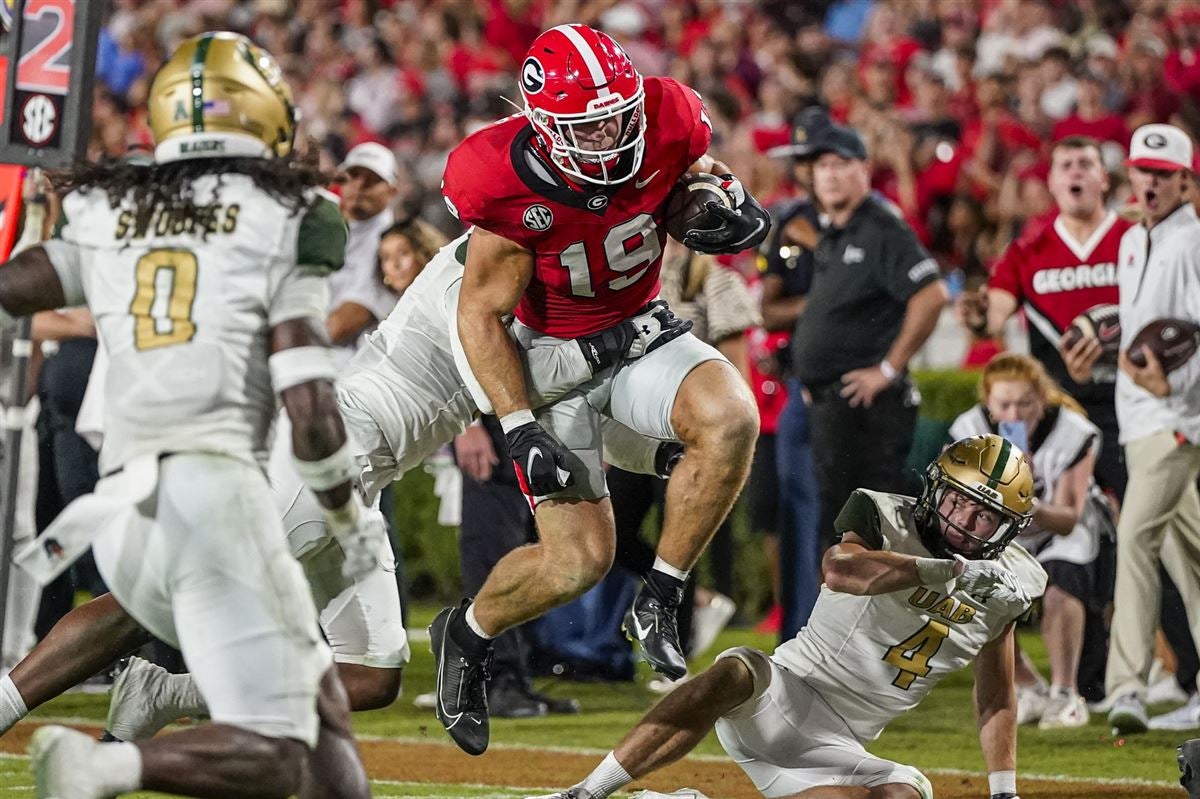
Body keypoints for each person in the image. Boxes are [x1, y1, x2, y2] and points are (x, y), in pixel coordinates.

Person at [0, 230, 689, 741]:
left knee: (371, 675)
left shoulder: (521, 280)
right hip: (325, 450)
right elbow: (497, 377)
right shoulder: (472, 277)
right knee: (149, 598)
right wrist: (610, 345)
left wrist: (653, 443)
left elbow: (544, 398)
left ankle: (167, 690)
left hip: (360, 480)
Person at [0, 32, 374, 799]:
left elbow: (18, 284)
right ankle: (103, 764)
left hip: (118, 511)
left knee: (326, 719)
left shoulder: (114, 201)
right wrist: (347, 514)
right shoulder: (292, 211)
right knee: (280, 751)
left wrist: (38, 217)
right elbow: (308, 402)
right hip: (211, 496)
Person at [435, 24, 768, 755]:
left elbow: (701, 172)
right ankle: (466, 631)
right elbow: (479, 314)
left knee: (732, 414)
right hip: (550, 361)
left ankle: (663, 595)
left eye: (620, 113)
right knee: (577, 561)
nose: (614, 134)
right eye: (591, 125)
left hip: (638, 331)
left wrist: (726, 199)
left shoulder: (668, 115)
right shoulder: (502, 177)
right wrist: (519, 426)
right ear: (546, 126)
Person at [530, 435, 1045, 799]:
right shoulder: (884, 513)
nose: (964, 521)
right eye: (959, 501)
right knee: (737, 666)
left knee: (906, 793)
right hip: (784, 693)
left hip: (841, 745)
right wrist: (940, 572)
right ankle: (584, 794)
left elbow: (997, 695)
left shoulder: (1009, 585)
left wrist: (1005, 793)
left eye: (985, 516)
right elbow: (841, 570)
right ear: (937, 489)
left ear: (1008, 530)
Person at [1067, 124, 1200, 735]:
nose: (1148, 182)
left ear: (1185, 182)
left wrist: (1175, 388)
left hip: (1175, 422)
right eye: (1141, 172)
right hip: (1141, 419)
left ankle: (1126, 689)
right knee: (1188, 556)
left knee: (1136, 539)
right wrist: (1100, 350)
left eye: (1161, 174)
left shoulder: (1193, 241)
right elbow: (1141, 326)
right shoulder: (1132, 242)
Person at [789, 120, 947, 572]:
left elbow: (931, 294)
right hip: (833, 407)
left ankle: (872, 639)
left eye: (842, 164)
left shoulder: (881, 227)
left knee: (866, 535)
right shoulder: (836, 233)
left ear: (865, 170)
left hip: (866, 412)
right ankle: (838, 639)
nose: (831, 175)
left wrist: (889, 368)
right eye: (822, 166)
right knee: (839, 531)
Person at [960, 135, 1130, 500]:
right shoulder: (1026, 252)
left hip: (1129, 402)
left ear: (1104, 178)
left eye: (1085, 164)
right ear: (1052, 182)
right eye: (1065, 166)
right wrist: (978, 317)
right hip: (1056, 413)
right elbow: (994, 316)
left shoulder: (1134, 240)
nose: (1075, 173)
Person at [949, 353, 1106, 729]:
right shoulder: (969, 429)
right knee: (975, 589)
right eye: (1004, 404)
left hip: (1059, 529)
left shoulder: (1072, 429)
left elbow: (1068, 518)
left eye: (1025, 403)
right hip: (998, 534)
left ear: (1042, 398)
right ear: (988, 402)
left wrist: (1023, 498)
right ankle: (1027, 683)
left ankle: (1066, 693)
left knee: (1061, 582)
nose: (1014, 415)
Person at [760, 107, 826, 639]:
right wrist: (827, 301)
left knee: (859, 512)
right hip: (803, 382)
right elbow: (768, 309)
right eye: (801, 160)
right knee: (796, 509)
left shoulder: (873, 221)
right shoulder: (787, 222)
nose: (805, 170)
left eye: (814, 158)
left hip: (859, 384)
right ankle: (799, 636)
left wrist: (824, 257)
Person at [328, 142, 405, 354]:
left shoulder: (392, 246)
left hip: (347, 366)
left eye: (372, 180)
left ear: (392, 190)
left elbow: (337, 328)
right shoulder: (326, 226)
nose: (360, 186)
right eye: (353, 176)